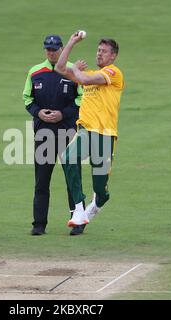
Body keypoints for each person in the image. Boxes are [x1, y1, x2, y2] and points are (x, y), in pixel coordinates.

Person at [55, 32, 125, 228]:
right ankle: (78, 208)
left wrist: (76, 71)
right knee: (68, 158)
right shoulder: (88, 74)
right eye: (98, 50)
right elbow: (60, 67)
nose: (99, 54)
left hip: (105, 135)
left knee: (100, 188)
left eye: (104, 51)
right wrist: (71, 42)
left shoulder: (113, 73)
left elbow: (85, 80)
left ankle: (97, 203)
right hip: (86, 130)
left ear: (113, 56)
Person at [23, 34, 84, 236]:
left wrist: (63, 114)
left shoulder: (73, 70)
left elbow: (82, 100)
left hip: (67, 131)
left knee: (72, 179)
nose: (50, 52)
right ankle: (39, 224)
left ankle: (78, 222)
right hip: (43, 134)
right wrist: (38, 112)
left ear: (61, 49)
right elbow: (27, 98)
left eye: (54, 49)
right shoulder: (35, 72)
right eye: (47, 49)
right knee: (42, 181)